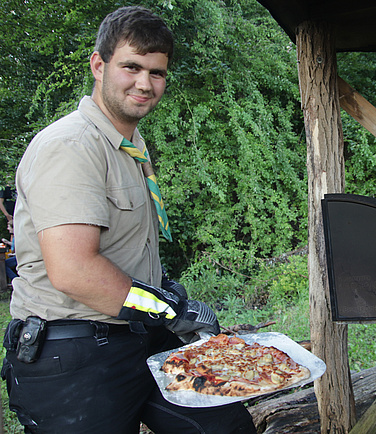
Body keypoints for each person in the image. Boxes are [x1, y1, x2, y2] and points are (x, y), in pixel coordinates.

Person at [1, 7, 256, 434]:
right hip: (75, 356)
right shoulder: (72, 145)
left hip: (138, 336)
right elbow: (73, 270)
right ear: (99, 65)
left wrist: (161, 295)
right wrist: (169, 310)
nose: (144, 83)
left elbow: (121, 250)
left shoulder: (128, 143)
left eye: (156, 73)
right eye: (131, 67)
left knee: (226, 426)